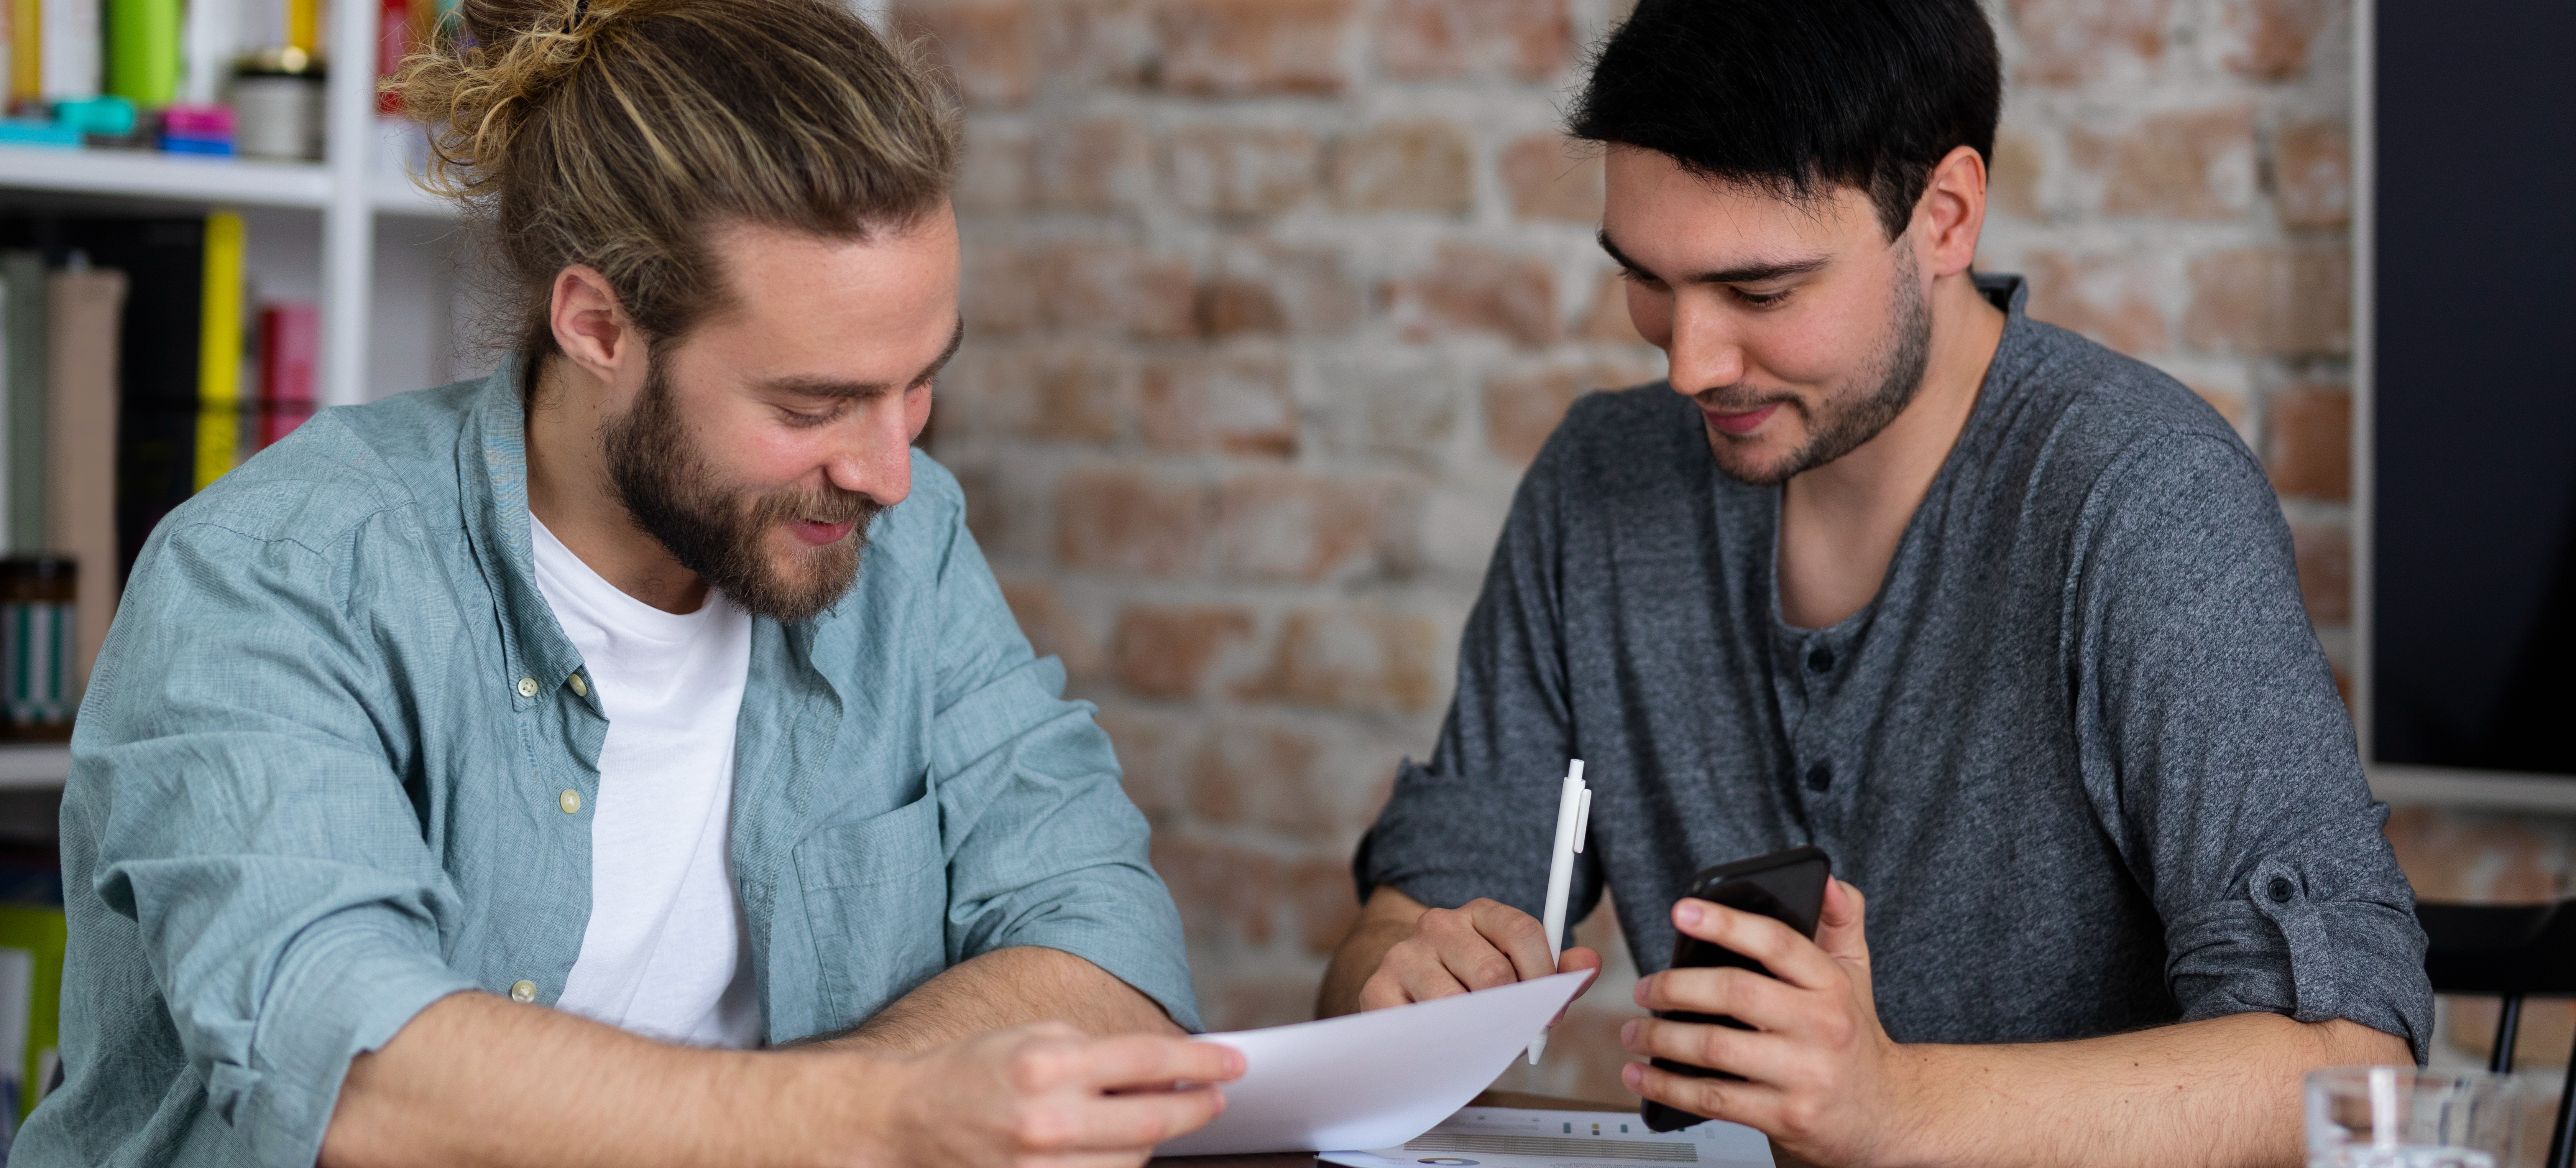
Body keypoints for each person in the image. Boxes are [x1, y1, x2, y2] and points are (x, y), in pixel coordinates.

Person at [13, 2, 1241, 1165]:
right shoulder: (277, 574)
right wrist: (888, 1119)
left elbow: (1110, 949)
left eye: (918, 385)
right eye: (811, 405)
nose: (889, 472)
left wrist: (834, 1119)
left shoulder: (906, 548)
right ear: (597, 327)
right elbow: (356, 1074)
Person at [1317, 1, 2429, 1165]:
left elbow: (2351, 1064)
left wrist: (1894, 1106)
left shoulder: (2143, 498)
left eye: (1761, 294)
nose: (1689, 364)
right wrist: (1394, 981)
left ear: (1944, 217)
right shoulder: (1597, 484)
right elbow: (1410, 916)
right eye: (1646, 279)